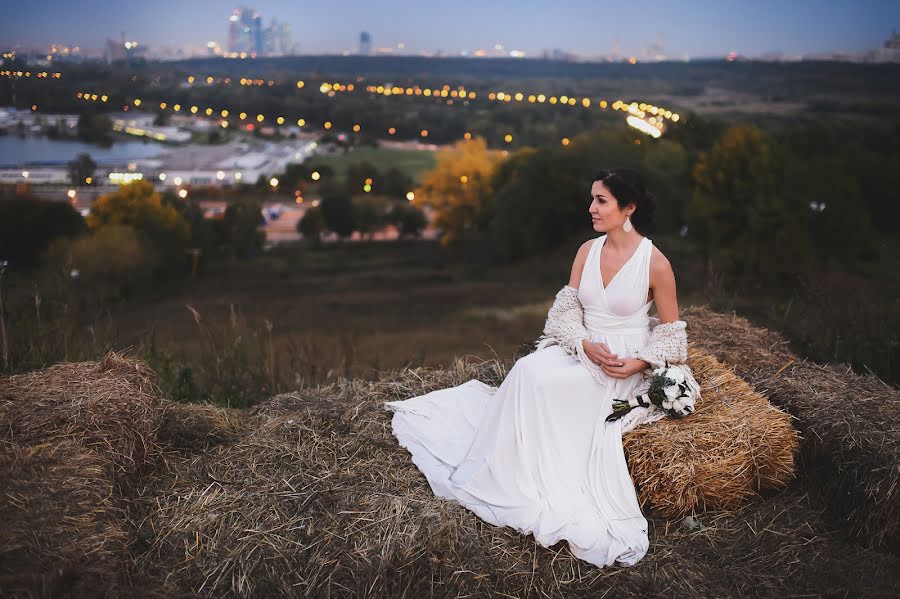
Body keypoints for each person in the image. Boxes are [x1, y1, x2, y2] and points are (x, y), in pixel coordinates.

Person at [385, 168, 683, 568]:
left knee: (546, 386)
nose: (591, 207)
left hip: (620, 364)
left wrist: (639, 361)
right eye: (592, 198)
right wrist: (581, 343)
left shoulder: (655, 263)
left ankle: (532, 475)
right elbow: (564, 310)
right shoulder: (586, 251)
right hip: (583, 346)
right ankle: (504, 467)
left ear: (628, 208)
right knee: (528, 370)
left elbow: (673, 333)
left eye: (601, 201)